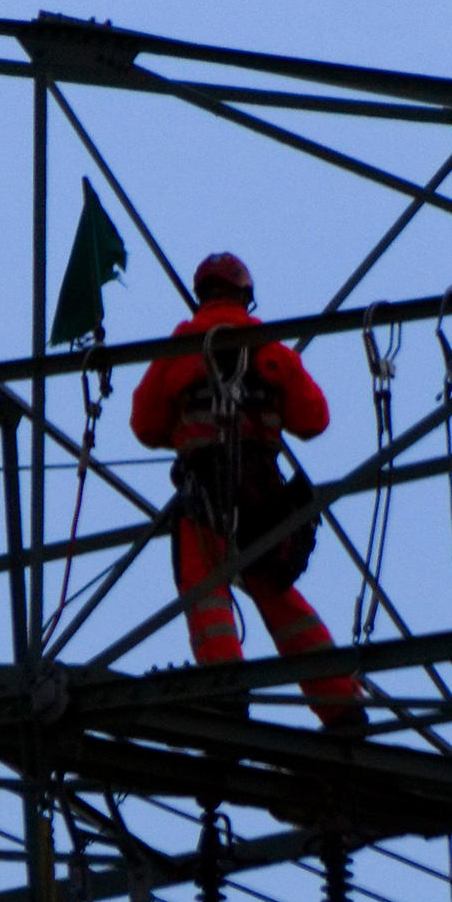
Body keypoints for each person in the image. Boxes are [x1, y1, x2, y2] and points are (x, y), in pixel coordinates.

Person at [127, 251, 367, 731]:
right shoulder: (270, 349)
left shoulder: (181, 347)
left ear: (202, 295)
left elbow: (145, 424)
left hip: (205, 497)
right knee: (278, 594)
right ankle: (342, 704)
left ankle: (225, 688)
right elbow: (313, 419)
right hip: (263, 497)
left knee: (205, 589)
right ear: (245, 295)